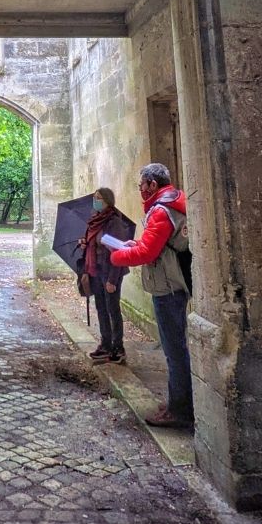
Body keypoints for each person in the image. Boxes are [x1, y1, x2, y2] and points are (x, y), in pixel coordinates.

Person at [110, 163, 193, 429]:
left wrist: (116, 255)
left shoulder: (161, 210)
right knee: (176, 348)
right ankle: (180, 403)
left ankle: (180, 410)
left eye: (141, 186)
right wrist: (136, 244)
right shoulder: (170, 204)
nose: (140, 191)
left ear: (152, 185)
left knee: (174, 351)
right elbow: (153, 245)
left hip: (167, 288)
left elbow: (147, 254)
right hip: (172, 284)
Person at [78, 187, 127, 365]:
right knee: (101, 308)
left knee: (112, 309)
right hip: (95, 271)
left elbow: (119, 251)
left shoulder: (113, 222)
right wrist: (85, 244)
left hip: (110, 271)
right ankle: (105, 344)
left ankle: (118, 347)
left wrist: (113, 280)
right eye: (94, 198)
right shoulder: (94, 221)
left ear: (107, 201)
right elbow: (94, 243)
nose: (95, 201)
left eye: (99, 198)